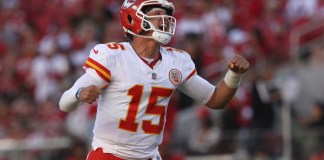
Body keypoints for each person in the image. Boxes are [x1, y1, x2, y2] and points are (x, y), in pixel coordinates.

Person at [59, 0, 249, 160]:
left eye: (165, 16)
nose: (165, 20)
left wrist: (234, 75)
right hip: (110, 154)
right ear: (133, 19)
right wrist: (79, 94)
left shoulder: (177, 61)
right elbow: (64, 103)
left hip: (150, 156)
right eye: (157, 14)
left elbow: (216, 100)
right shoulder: (113, 56)